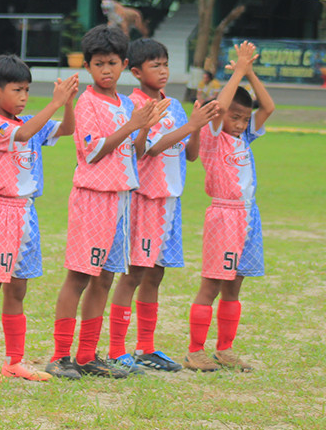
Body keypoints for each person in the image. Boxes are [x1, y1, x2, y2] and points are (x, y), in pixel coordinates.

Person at [45, 24, 167, 380]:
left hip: (121, 199)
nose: (106, 70)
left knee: (105, 279)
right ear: (87, 66)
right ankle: (60, 355)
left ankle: (87, 355)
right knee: (80, 277)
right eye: (98, 64)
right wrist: (132, 125)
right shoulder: (87, 103)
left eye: (112, 63)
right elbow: (94, 151)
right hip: (93, 198)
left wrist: (144, 125)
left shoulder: (127, 104)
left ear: (123, 64)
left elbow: (137, 151)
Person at [108, 39, 220, 373]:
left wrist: (196, 127)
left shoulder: (174, 106)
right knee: (133, 274)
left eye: (166, 64)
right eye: (155, 65)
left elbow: (191, 154)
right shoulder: (134, 105)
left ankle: (146, 347)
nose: (163, 71)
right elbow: (149, 149)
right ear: (136, 71)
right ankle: (116, 350)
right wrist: (191, 125)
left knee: (156, 274)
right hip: (146, 200)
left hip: (171, 201)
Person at [0, 57, 78, 383]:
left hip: (27, 213)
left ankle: (14, 361)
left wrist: (67, 103)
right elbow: (24, 133)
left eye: (27, 90)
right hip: (1, 212)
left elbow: (67, 129)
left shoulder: (30, 120)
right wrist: (54, 102)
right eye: (17, 90)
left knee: (18, 289)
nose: (24, 97)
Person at [184, 41, 274, 372]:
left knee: (235, 285)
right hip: (224, 216)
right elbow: (220, 108)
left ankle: (225, 349)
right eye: (235, 118)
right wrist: (237, 74)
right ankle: (195, 350)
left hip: (249, 216)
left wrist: (249, 72)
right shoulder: (214, 136)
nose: (239, 123)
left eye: (244, 119)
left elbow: (268, 107)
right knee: (211, 284)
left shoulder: (244, 137)